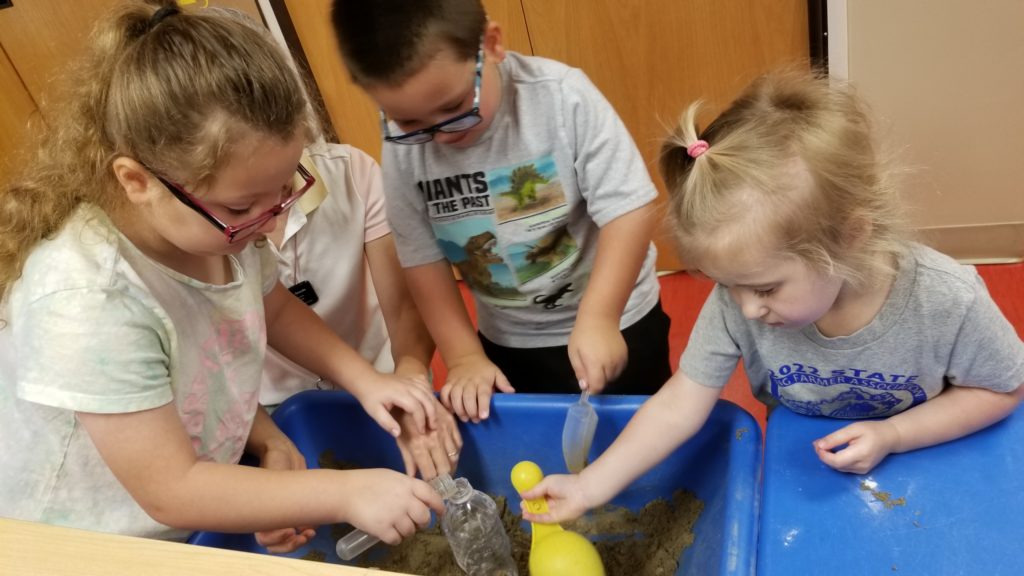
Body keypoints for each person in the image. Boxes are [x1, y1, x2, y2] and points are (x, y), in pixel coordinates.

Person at [0, 1, 448, 554]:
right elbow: (172, 490)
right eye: (243, 207)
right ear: (137, 180)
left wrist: (367, 380)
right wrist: (343, 492)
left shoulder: (222, 234)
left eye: (287, 188)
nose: (277, 220)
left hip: (182, 489)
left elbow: (275, 309)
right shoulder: (89, 300)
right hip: (79, 536)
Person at [520, 69, 1024, 523]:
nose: (745, 308)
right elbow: (679, 406)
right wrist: (589, 486)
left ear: (849, 237)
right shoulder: (739, 303)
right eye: (725, 284)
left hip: (938, 472)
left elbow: (1003, 389)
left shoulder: (945, 299)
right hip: (803, 480)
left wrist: (894, 436)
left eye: (764, 288)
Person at [330, 0, 673, 423]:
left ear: (490, 45)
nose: (438, 135)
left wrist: (601, 316)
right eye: (408, 122)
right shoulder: (405, 153)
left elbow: (629, 210)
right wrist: (462, 357)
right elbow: (423, 261)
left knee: (645, 435)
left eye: (455, 108)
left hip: (619, 317)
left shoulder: (562, 96)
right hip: (510, 342)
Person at [262, 141, 462, 479]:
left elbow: (404, 305)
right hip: (273, 406)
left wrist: (409, 376)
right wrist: (269, 441)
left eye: (285, 186)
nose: (267, 217)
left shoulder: (351, 173)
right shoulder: (210, 231)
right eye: (240, 207)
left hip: (383, 373)